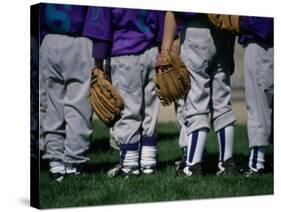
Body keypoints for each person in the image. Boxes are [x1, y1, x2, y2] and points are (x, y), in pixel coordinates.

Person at [83, 7, 164, 177]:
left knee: (128, 110)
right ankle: (149, 161)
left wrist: (98, 64)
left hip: (125, 52)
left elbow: (101, 27)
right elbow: (162, 19)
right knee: (150, 108)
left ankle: (129, 165)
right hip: (152, 51)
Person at [161, 12, 237, 176]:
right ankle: (227, 162)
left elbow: (172, 10)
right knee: (222, 101)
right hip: (224, 30)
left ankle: (192, 165)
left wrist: (164, 52)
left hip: (196, 29)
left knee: (196, 99)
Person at [40, 3, 94, 182]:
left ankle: (55, 161)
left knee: (52, 106)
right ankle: (74, 162)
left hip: (49, 39)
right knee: (78, 106)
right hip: (78, 39)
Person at [238, 16, 273, 176]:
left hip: (261, 42)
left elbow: (261, 25)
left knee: (258, 107)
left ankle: (256, 164)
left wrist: (241, 21)